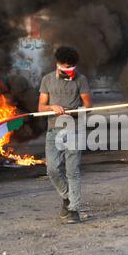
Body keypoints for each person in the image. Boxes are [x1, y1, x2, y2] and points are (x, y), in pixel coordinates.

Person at [38, 46, 92, 224]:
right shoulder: (47, 80)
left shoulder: (81, 79)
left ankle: (74, 210)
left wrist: (77, 111)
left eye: (71, 68)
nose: (69, 71)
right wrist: (52, 108)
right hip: (53, 130)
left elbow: (88, 105)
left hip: (74, 129)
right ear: (58, 64)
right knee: (52, 169)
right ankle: (68, 197)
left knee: (72, 171)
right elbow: (41, 107)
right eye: (65, 67)